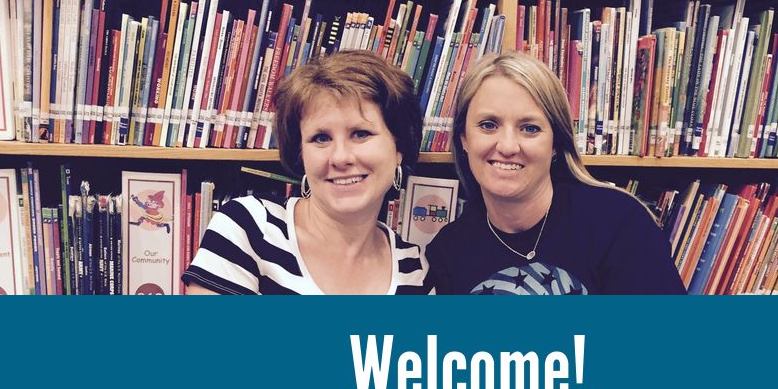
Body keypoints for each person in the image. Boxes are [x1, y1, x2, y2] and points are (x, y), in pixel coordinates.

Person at [426, 51, 685, 295]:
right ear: (464, 139)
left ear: (555, 144)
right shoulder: (447, 252)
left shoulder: (619, 223)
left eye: (530, 128)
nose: (507, 146)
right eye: (488, 125)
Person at [183, 50, 430, 294]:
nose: (340, 157)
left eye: (360, 134)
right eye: (321, 138)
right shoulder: (248, 228)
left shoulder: (415, 271)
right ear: (301, 154)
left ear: (399, 148)